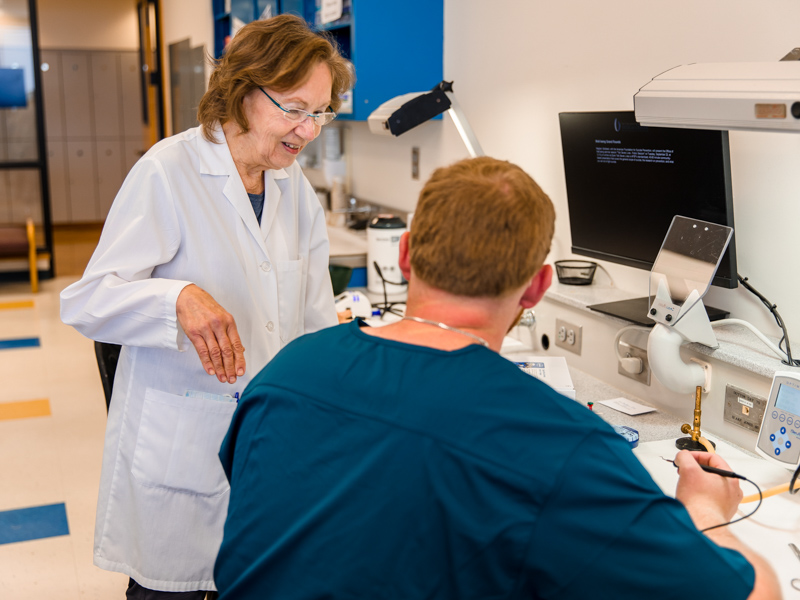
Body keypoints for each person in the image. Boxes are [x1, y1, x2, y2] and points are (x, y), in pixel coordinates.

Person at [214, 157, 780, 599]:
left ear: (406, 254)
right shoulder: (555, 442)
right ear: (537, 287)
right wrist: (705, 511)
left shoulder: (288, 371)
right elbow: (755, 594)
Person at [60, 14, 354, 598]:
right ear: (244, 91)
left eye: (320, 113)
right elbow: (88, 301)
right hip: (181, 453)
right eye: (295, 108)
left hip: (270, 451)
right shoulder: (168, 172)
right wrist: (177, 298)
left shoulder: (294, 188)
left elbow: (317, 322)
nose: (310, 129)